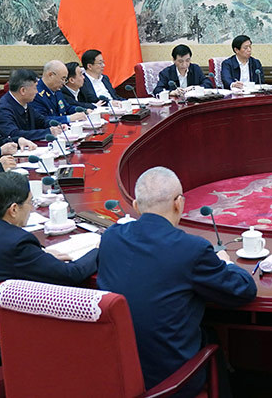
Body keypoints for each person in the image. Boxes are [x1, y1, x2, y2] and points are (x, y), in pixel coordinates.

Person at [97, 167, 257, 393]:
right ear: (178, 203)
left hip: (117, 375)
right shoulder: (192, 249)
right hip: (169, 384)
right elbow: (244, 290)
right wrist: (226, 262)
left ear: (135, 206)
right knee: (212, 340)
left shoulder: (111, 237)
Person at [0, 172, 98, 374]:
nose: (31, 208)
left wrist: (40, 256)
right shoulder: (16, 243)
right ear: (14, 209)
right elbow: (70, 275)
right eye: (29, 203)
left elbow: (0, 260)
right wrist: (100, 248)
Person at [0, 69, 62, 142]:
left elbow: (41, 121)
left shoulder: (25, 103)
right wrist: (48, 132)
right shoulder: (2, 109)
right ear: (23, 90)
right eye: (35, 88)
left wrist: (57, 126)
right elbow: (14, 134)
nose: (37, 92)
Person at [30, 60, 87, 125]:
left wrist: (84, 111)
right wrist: (68, 118)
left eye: (65, 79)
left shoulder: (57, 89)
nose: (64, 83)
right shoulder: (36, 93)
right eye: (62, 79)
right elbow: (42, 120)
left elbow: (66, 107)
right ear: (50, 75)